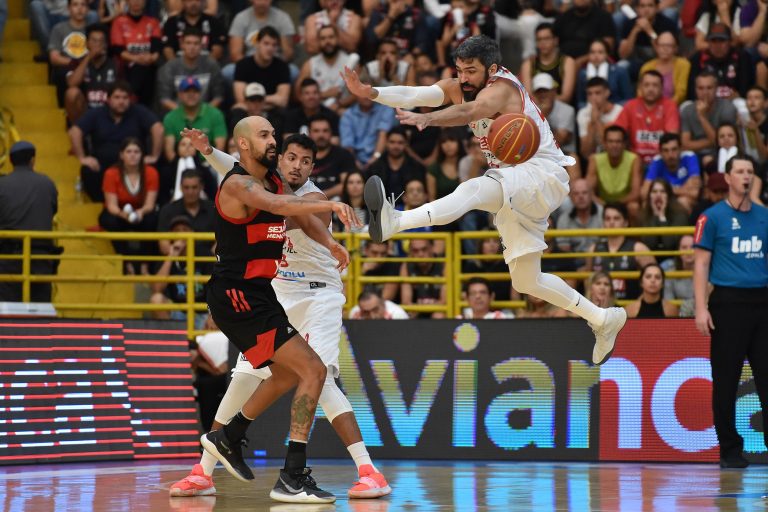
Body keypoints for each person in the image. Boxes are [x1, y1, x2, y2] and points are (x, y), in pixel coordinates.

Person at [342, 34, 627, 365]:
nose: (463, 78)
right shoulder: (462, 85)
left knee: (474, 189)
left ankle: (396, 221)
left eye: (471, 71)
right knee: (526, 280)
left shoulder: (501, 88)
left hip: (541, 173)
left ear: (491, 69)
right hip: (515, 184)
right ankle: (602, 318)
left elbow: (471, 111)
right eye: (459, 70)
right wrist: (371, 92)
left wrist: (428, 118)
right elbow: (418, 94)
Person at [170, 128, 389, 500]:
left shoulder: (314, 197)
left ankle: (369, 471)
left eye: (306, 161)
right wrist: (209, 152)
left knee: (318, 378)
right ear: (279, 158)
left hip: (318, 295)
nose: (297, 166)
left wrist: (330, 234)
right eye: (291, 157)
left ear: (313, 168)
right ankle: (203, 471)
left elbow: (280, 207)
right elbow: (242, 172)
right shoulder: (264, 185)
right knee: (243, 377)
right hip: (276, 294)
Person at [693, 153, 768, 469]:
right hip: (727, 304)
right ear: (728, 177)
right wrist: (700, 308)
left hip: (762, 302)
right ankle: (729, 449)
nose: (746, 176)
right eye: (740, 171)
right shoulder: (711, 217)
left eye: (750, 171)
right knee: (726, 380)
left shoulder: (764, 216)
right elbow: (701, 264)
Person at [69, 81, 163, 201]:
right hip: (103, 165)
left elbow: (158, 128)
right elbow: (75, 131)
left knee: (156, 168)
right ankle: (102, 203)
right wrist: (82, 157)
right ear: (108, 99)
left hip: (134, 164)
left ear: (130, 99)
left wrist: (154, 155)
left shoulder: (139, 111)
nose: (121, 101)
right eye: (117, 97)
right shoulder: (97, 113)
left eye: (125, 98)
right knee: (87, 171)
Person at [0, 141, 59, 302]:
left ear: (11, 160)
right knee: (39, 309)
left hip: (8, 260)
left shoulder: (2, 185)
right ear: (32, 160)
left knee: (8, 309)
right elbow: (52, 210)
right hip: (41, 259)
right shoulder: (47, 183)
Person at [98, 137, 159, 275]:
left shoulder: (151, 172)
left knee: (152, 220)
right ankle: (127, 263)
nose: (133, 155)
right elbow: (111, 205)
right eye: (129, 151)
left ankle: (145, 265)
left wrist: (141, 212)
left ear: (142, 155)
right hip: (119, 213)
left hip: (141, 212)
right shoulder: (111, 173)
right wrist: (123, 214)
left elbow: (150, 204)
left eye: (136, 152)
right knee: (109, 221)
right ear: (121, 155)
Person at [587, 203, 656, 300]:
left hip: (631, 304)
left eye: (616, 218)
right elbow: (588, 280)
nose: (611, 222)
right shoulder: (593, 249)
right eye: (607, 219)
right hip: (601, 306)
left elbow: (655, 277)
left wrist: (638, 304)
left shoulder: (638, 248)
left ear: (626, 223)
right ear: (603, 223)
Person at [613, 70, 681, 165]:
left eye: (655, 85)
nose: (650, 89)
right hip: (634, 161)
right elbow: (616, 133)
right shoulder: (630, 106)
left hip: (661, 161)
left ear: (662, 88)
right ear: (640, 87)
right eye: (646, 85)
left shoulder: (670, 106)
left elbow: (672, 138)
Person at [156, 27, 225, 112]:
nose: (192, 47)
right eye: (188, 43)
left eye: (196, 43)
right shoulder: (170, 67)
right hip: (178, 114)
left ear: (202, 45)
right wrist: (185, 114)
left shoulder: (212, 66)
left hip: (205, 114)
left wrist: (204, 114)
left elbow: (218, 97)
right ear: (182, 45)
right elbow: (165, 99)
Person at [64, 24, 120, 124]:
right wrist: (89, 57)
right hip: (86, 110)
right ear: (87, 44)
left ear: (106, 45)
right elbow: (72, 83)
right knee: (71, 93)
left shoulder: (116, 63)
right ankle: (79, 129)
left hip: (109, 110)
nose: (98, 44)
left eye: (101, 41)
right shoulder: (76, 62)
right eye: (94, 41)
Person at [110, 0, 162, 106]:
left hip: (148, 66)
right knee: (138, 70)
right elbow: (118, 50)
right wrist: (137, 59)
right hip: (126, 67)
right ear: (127, 2)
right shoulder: (119, 22)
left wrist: (151, 58)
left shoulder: (153, 22)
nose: (136, 2)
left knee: (147, 71)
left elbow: (157, 50)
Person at [586, 125, 643, 215]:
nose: (614, 145)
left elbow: (635, 193)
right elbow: (589, 191)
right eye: (610, 141)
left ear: (624, 144)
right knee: (587, 204)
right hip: (602, 203)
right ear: (604, 143)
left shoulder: (634, 159)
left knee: (634, 207)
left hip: (625, 203)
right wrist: (604, 204)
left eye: (618, 141)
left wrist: (615, 205)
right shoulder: (595, 159)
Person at [680, 71, 737, 159]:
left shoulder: (727, 108)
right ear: (695, 89)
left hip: (722, 153)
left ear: (716, 89)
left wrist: (702, 117)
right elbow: (685, 144)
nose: (705, 92)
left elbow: (723, 143)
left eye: (709, 88)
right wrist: (711, 141)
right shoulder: (687, 110)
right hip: (694, 155)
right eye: (700, 88)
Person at [519, 22, 576, 105]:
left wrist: (545, 103)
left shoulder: (567, 62)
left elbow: (566, 97)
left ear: (556, 40)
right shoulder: (528, 64)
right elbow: (528, 96)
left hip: (560, 107)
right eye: (539, 39)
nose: (543, 43)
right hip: (536, 108)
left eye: (546, 38)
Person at [643, 132, 702, 212]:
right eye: (666, 150)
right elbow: (644, 193)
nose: (670, 155)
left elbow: (694, 193)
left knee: (683, 201)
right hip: (664, 199)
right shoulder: (657, 161)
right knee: (646, 204)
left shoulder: (689, 157)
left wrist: (664, 190)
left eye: (674, 149)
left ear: (681, 149)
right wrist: (681, 189)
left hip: (682, 200)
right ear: (660, 152)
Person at [308, 113, 358, 198]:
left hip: (335, 202)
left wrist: (320, 196)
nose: (321, 135)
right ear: (309, 133)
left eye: (325, 131)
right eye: (316, 131)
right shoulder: (302, 155)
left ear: (331, 132)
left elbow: (347, 184)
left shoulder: (343, 155)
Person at [161, 0, 226, 61]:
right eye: (189, 1)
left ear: (203, 3)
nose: (193, 4)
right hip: (177, 64)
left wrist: (205, 66)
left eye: (197, 0)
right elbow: (168, 49)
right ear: (183, 3)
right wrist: (177, 66)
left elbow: (217, 50)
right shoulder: (172, 22)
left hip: (207, 65)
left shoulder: (213, 22)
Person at [577, 76, 624, 161]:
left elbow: (614, 150)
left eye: (597, 93)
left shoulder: (620, 112)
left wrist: (597, 121)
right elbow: (585, 153)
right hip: (595, 161)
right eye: (590, 94)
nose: (593, 98)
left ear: (607, 93)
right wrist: (592, 123)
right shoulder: (583, 114)